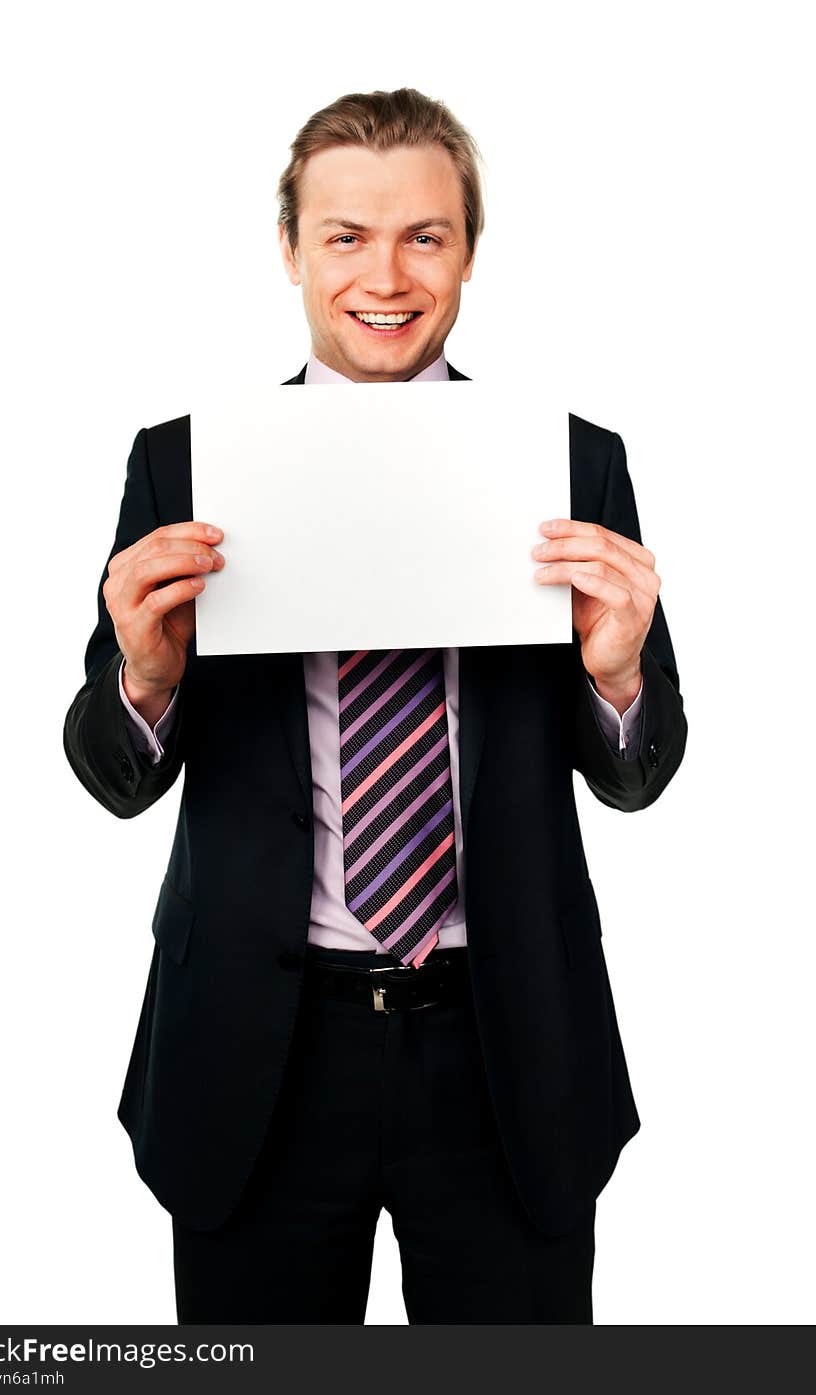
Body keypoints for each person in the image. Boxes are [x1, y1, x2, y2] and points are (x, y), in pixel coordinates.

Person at [63, 87, 687, 1324]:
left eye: (424, 236)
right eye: (345, 235)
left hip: (506, 1045)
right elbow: (114, 773)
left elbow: (633, 772)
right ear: (290, 248)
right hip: (260, 1048)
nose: (384, 275)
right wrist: (144, 675)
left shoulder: (572, 459)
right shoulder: (180, 464)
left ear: (467, 251)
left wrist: (615, 671)